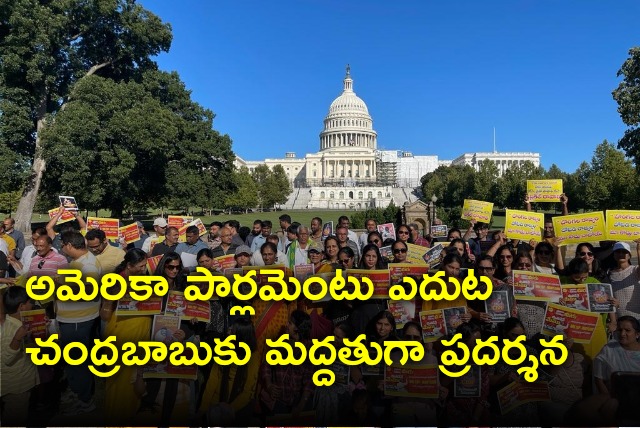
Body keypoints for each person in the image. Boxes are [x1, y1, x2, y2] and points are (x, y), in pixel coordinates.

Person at [101, 249, 152, 423]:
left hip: (141, 333)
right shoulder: (116, 281)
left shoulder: (145, 278)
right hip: (122, 336)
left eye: (145, 265)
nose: (144, 269)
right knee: (120, 382)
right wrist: (111, 300)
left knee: (136, 379)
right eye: (140, 266)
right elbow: (105, 315)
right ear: (129, 266)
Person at [57, 230, 102, 415]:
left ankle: (83, 400)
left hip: (77, 320)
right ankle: (77, 392)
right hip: (73, 318)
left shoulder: (88, 265)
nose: (62, 249)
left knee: (77, 361)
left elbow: (90, 287)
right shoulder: (80, 262)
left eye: (62, 246)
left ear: (69, 245)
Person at [199, 317, 259, 425]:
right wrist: (203, 408)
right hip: (216, 403)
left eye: (232, 330)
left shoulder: (253, 357)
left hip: (238, 407)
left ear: (240, 337)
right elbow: (213, 379)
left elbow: (248, 391)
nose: (228, 329)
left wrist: (228, 411)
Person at [0, 287, 40, 426]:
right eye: (30, 302)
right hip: (15, 388)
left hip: (23, 383)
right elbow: (6, 358)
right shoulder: (10, 329)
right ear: (22, 306)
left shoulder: (21, 324)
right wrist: (17, 339)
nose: (33, 304)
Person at [593, 315, 640, 395]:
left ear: (637, 334)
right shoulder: (609, 349)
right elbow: (598, 378)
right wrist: (608, 399)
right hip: (614, 398)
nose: (622, 334)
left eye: (627, 330)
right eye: (620, 330)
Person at [607, 240, 640, 320]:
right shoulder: (610, 273)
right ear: (614, 255)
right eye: (618, 252)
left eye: (624, 252)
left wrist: (638, 250)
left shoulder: (635, 270)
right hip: (620, 319)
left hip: (637, 318)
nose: (621, 254)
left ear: (629, 256)